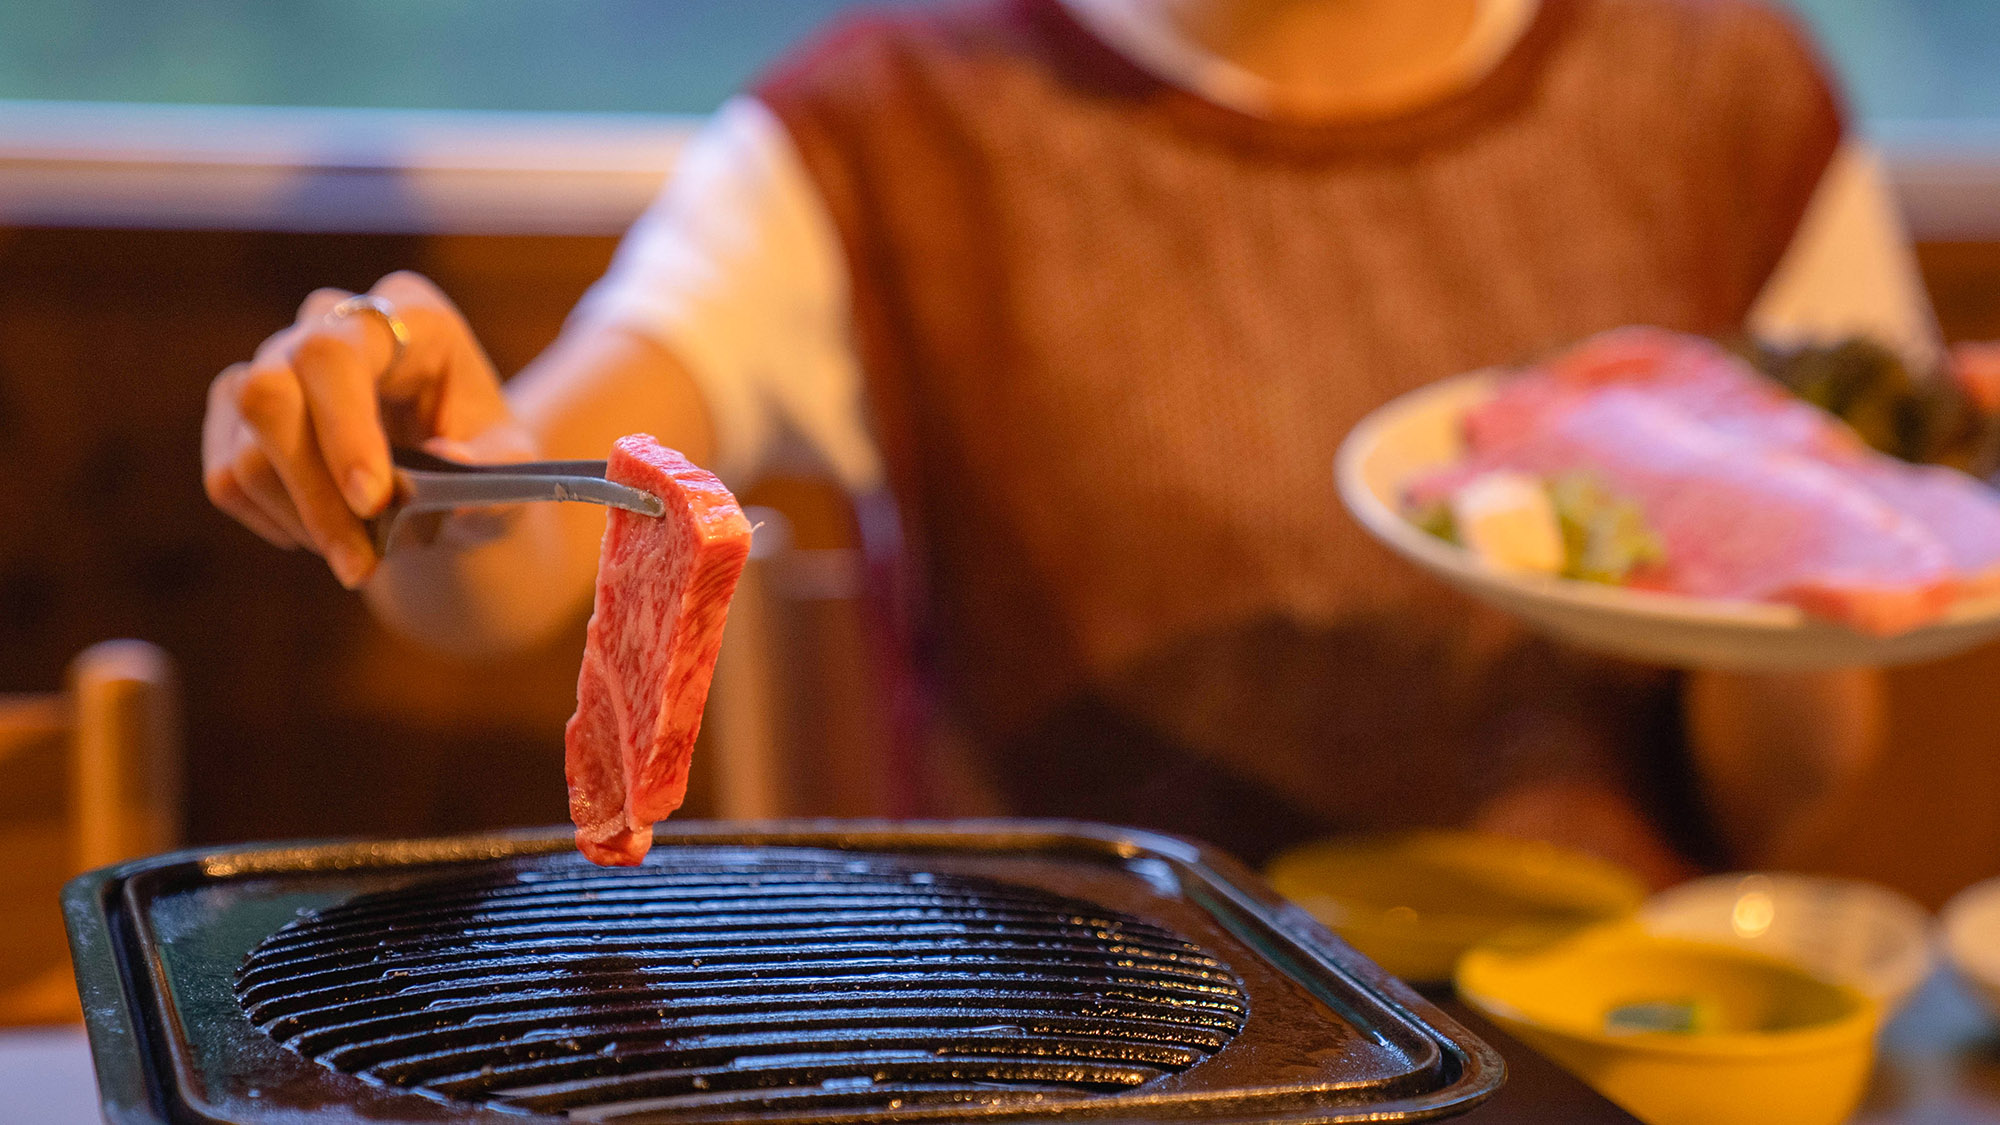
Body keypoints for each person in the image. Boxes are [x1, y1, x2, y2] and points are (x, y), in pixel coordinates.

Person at [201, 0, 1937, 883]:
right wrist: (413, 457)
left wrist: (1783, 564)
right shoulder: (885, 130)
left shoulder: (1732, 103)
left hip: (1615, 1050)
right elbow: (521, 557)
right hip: (1090, 1055)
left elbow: (1797, 773)